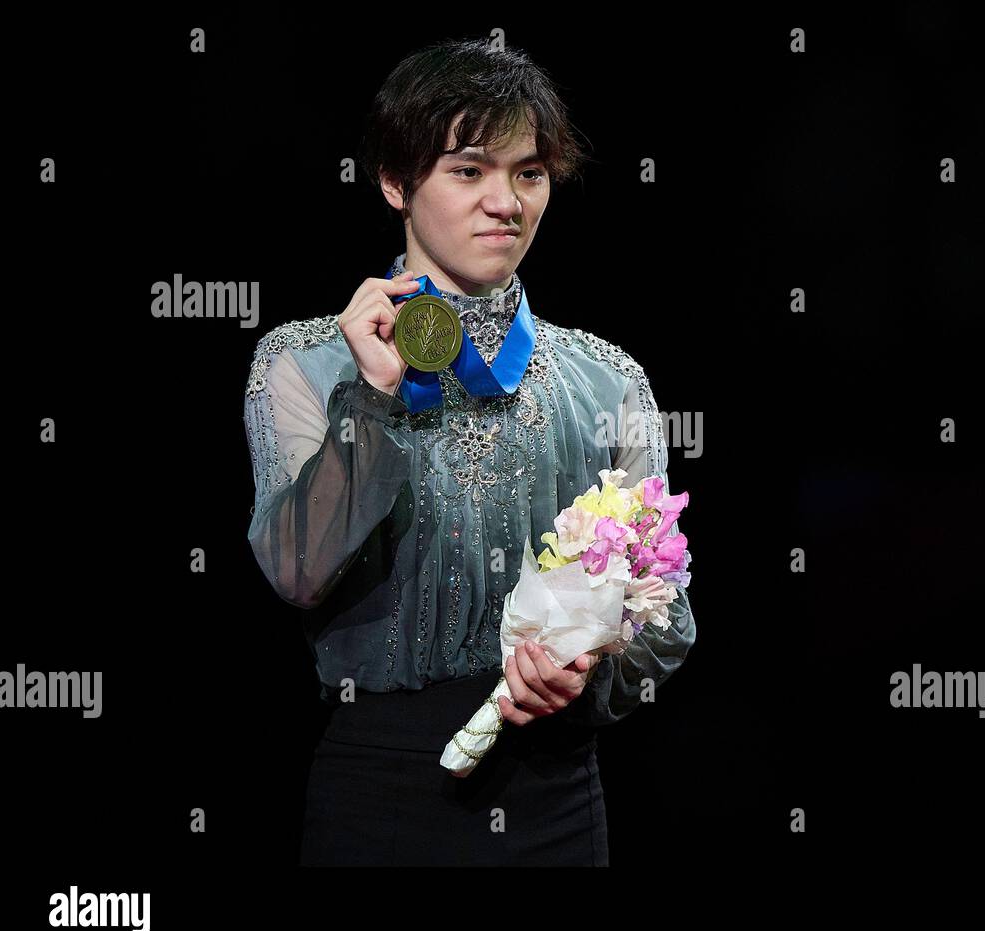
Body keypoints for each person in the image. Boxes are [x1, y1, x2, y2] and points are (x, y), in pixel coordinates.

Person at [241, 39, 697, 866]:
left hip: (556, 798)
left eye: (529, 173)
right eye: (468, 171)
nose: (507, 202)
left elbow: (667, 618)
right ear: (393, 183)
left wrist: (587, 672)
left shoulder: (608, 379)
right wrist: (370, 402)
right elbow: (297, 570)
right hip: (376, 793)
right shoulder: (302, 361)